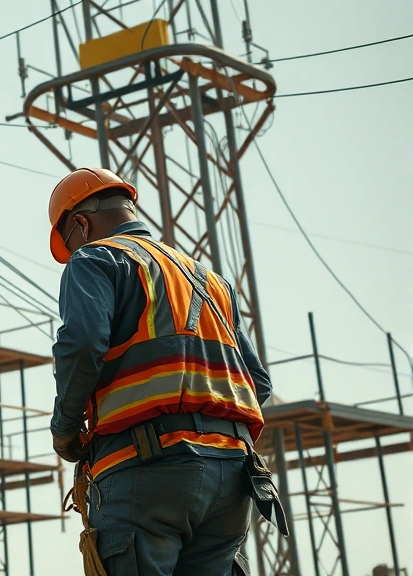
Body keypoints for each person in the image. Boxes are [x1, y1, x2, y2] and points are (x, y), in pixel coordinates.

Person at [46, 168, 273, 575]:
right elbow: (258, 384)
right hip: (234, 476)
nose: (72, 250)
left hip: (147, 467)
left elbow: (82, 346)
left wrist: (65, 429)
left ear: (81, 224)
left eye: (69, 240)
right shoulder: (210, 280)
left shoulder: (95, 259)